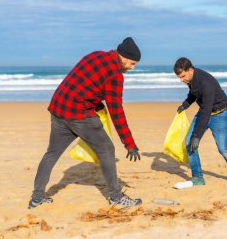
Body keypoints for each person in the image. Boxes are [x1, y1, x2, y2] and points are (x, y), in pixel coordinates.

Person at [29, 37, 143, 209]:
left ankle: (36, 198)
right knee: (107, 150)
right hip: (79, 115)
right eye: (132, 63)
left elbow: (81, 84)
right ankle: (116, 197)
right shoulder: (115, 75)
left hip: (58, 108)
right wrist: (129, 143)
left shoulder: (94, 55)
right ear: (123, 56)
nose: (133, 68)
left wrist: (97, 104)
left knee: (51, 153)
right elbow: (116, 111)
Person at [174, 57, 227, 186]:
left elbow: (206, 112)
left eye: (183, 76)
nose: (181, 80)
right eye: (179, 77)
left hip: (220, 114)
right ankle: (198, 177)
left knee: (223, 148)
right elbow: (193, 93)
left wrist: (197, 136)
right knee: (189, 142)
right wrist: (185, 105)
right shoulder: (191, 79)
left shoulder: (205, 83)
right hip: (204, 111)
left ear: (190, 70)